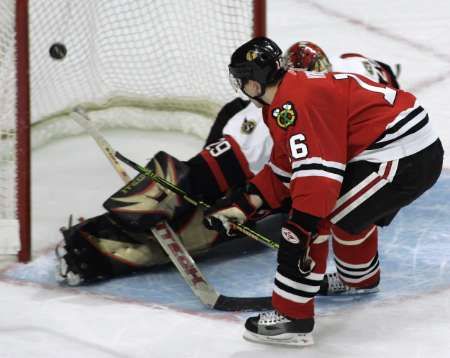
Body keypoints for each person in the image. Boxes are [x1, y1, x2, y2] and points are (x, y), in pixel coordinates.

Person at [56, 41, 401, 295]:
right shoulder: (342, 86)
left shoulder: (339, 72)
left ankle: (96, 243)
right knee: (204, 204)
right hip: (252, 139)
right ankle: (88, 249)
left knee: (210, 203)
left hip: (252, 126)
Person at [203, 36, 443, 346]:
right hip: (396, 149)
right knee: (339, 210)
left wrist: (300, 227)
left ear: (256, 80)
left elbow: (317, 180)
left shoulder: (294, 102)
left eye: (243, 79)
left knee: (313, 219)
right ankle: (358, 279)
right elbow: (285, 168)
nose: (241, 86)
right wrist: (242, 205)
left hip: (404, 157)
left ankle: (293, 318)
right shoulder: (283, 100)